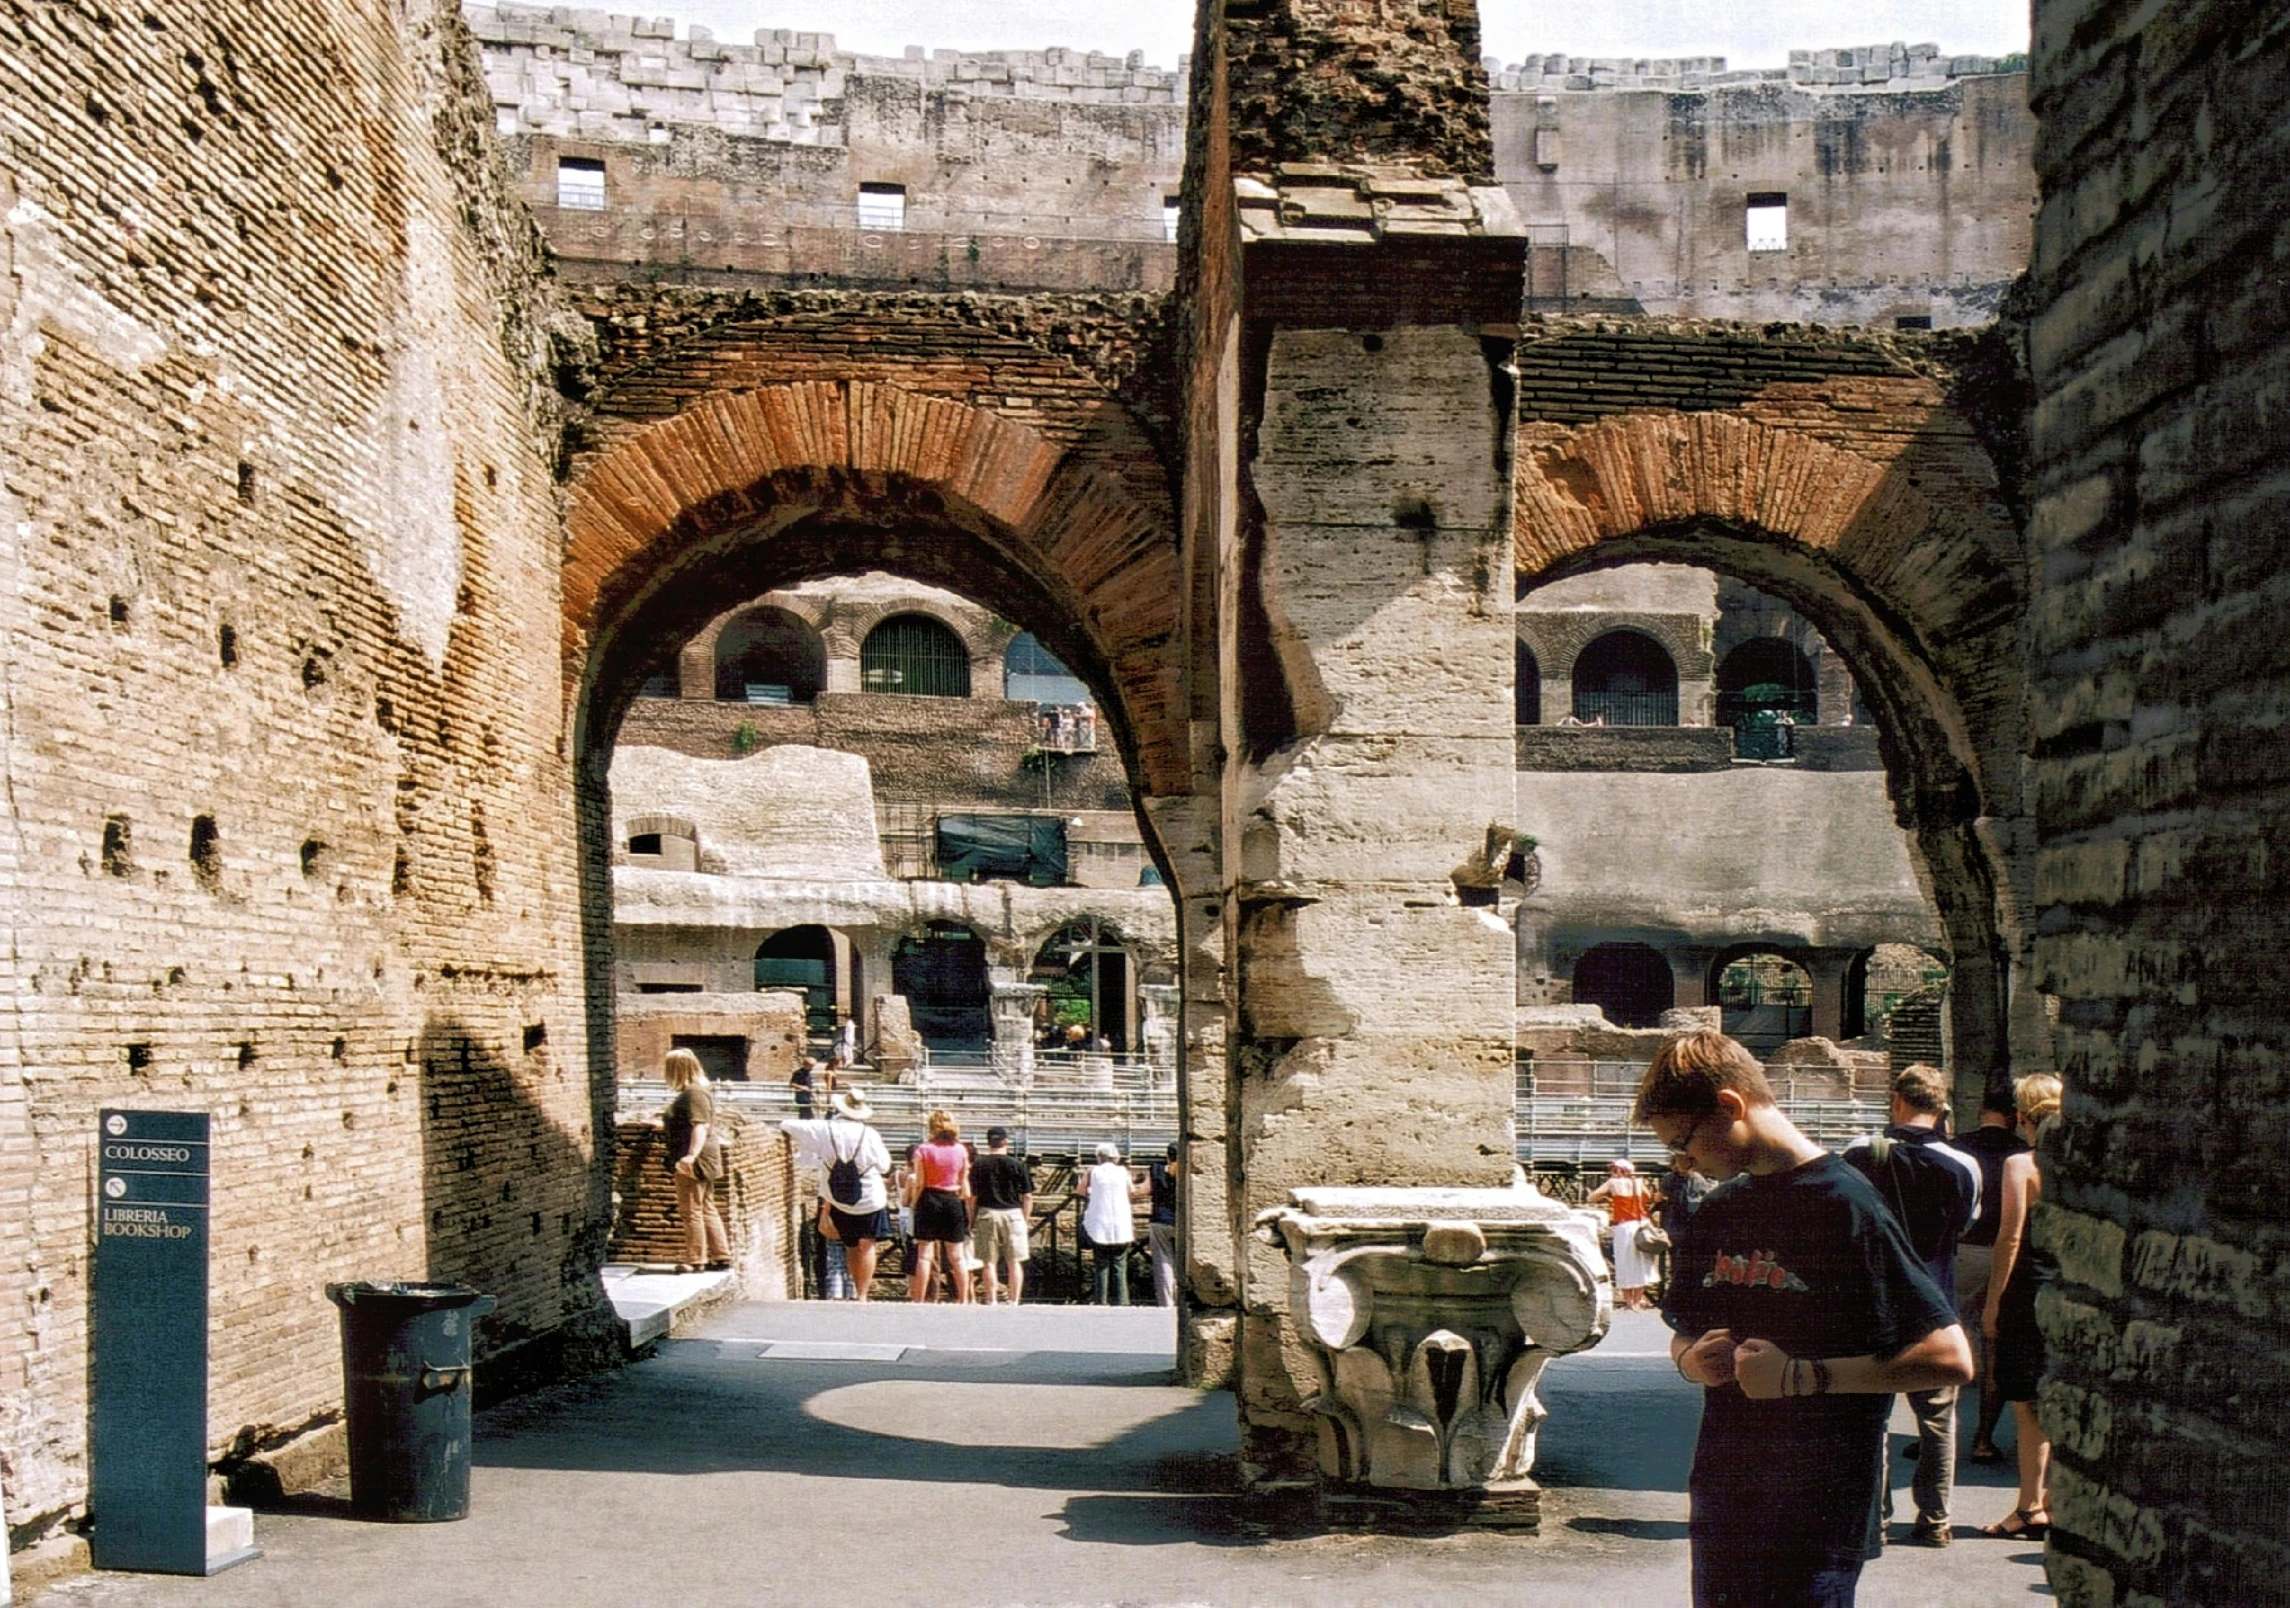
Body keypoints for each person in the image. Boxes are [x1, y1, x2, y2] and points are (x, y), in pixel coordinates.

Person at [1638, 1030, 1973, 1608]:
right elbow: (1683, 1332)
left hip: (1819, 1513)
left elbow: (1948, 1357)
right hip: (1726, 1502)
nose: (1682, 1162)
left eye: (1684, 1143)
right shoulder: (1720, 1210)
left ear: (1730, 1107)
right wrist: (1690, 1361)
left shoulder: (1846, 1205)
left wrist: (1803, 1377)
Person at [1842, 1064, 1982, 1547]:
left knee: (1874, 1420)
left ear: (1897, 1102)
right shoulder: (1962, 1166)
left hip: (1873, 1306)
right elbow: (1964, 1225)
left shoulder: (1859, 1154)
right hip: (1935, 1304)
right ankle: (1935, 1520)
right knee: (1938, 1420)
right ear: (1941, 1109)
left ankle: (1875, 1519)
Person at [1979, 1072, 2062, 1542]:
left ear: (2023, 1117)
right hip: (2071, 1286)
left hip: (2029, 1288)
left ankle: (2030, 1505)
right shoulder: (2075, 1164)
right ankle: (2053, 1498)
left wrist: (1993, 1304)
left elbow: (2010, 1237)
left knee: (2027, 1404)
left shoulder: (2020, 1164)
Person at [1953, 1085, 2032, 1464]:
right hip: (2006, 1255)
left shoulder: (1958, 1147)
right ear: (2014, 1115)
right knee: (1994, 1345)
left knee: (1952, 1336)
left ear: (1981, 1109)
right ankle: (1983, 1437)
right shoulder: (2021, 1153)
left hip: (1965, 1250)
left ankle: (1939, 1431)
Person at [783, 1086, 894, 1300]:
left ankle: (854, 1287)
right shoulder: (870, 1134)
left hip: (837, 1198)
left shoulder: (824, 1129)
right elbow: (883, 1165)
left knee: (851, 1243)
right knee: (867, 1243)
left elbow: (787, 1125)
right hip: (870, 1197)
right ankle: (862, 1293)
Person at [660, 1048, 732, 1273]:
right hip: (703, 1156)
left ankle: (695, 1260)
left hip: (696, 1158)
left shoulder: (694, 1093)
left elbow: (700, 1125)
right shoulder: (698, 1091)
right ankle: (721, 1255)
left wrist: (690, 1156)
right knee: (706, 1206)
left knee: (690, 1209)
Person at [906, 1110, 973, 1304]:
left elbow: (920, 1181)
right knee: (957, 1255)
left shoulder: (923, 1149)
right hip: (952, 1198)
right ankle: (964, 1298)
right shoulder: (961, 1150)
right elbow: (964, 1181)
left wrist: (914, 1202)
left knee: (924, 1254)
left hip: (929, 1198)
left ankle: (918, 1298)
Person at [968, 1126, 1033, 1305]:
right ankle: (1014, 1299)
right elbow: (1027, 1196)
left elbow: (973, 1197)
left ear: (988, 1142)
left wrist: (970, 1220)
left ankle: (992, 1299)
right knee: (1015, 1261)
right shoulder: (1018, 1165)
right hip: (1013, 1213)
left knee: (988, 1261)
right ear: (1005, 1141)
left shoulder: (979, 1165)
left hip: (987, 1213)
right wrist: (1024, 1220)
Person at [1587, 1157, 1658, 1310]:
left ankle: (1629, 1302)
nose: (1612, 1173)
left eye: (1614, 1170)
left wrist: (1607, 1197)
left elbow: (1591, 1197)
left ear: (1621, 1171)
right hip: (1642, 1224)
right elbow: (1648, 1198)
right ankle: (1637, 1301)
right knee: (1642, 1263)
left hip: (1625, 1225)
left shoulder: (1612, 1183)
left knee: (1624, 1262)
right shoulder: (1639, 1183)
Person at [1076, 1142, 1142, 1306]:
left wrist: (1094, 1192)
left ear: (1099, 1157)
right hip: (1120, 1222)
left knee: (1101, 1264)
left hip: (1099, 1222)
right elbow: (1132, 1191)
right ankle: (1122, 1300)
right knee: (1120, 1264)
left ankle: (1101, 1300)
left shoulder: (1093, 1172)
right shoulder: (1123, 1172)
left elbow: (1080, 1190)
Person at [1146, 1142, 1180, 1307]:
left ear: (1168, 1156)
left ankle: (1167, 1302)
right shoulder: (1187, 1172)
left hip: (1160, 1220)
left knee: (1163, 1263)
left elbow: (1144, 1190)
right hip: (1181, 1221)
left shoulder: (1156, 1169)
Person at [788, 1054, 821, 1118]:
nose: (812, 1068)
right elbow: (792, 1084)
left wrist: (813, 1095)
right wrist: (802, 1087)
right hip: (801, 1096)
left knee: (807, 1114)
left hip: (807, 1095)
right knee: (805, 1113)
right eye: (811, 1066)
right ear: (806, 1065)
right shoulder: (799, 1072)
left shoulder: (808, 1073)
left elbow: (809, 1085)